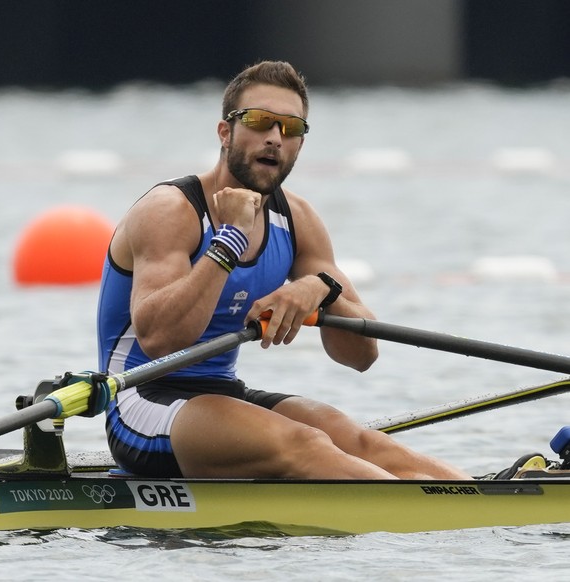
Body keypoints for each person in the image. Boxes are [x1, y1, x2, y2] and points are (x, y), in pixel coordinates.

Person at [97, 60, 471, 481]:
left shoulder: (297, 219)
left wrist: (323, 289)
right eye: (259, 122)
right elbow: (160, 338)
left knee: (359, 440)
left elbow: (363, 355)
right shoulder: (170, 211)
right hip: (141, 403)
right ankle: (427, 517)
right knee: (308, 445)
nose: (275, 138)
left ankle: (477, 505)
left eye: (291, 128)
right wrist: (230, 239)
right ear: (225, 133)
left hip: (223, 395)